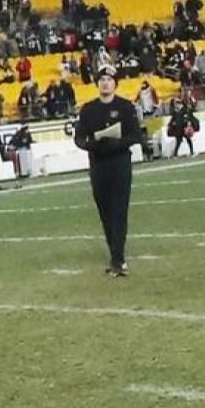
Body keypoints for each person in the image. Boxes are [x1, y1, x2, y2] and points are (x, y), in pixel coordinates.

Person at [74, 66, 145, 276]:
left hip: (120, 163)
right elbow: (79, 138)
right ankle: (115, 253)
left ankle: (118, 258)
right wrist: (94, 145)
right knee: (105, 212)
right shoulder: (88, 109)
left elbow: (136, 135)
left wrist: (116, 143)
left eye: (109, 79)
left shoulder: (125, 107)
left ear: (115, 83)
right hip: (98, 165)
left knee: (119, 211)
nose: (105, 83)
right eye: (102, 79)